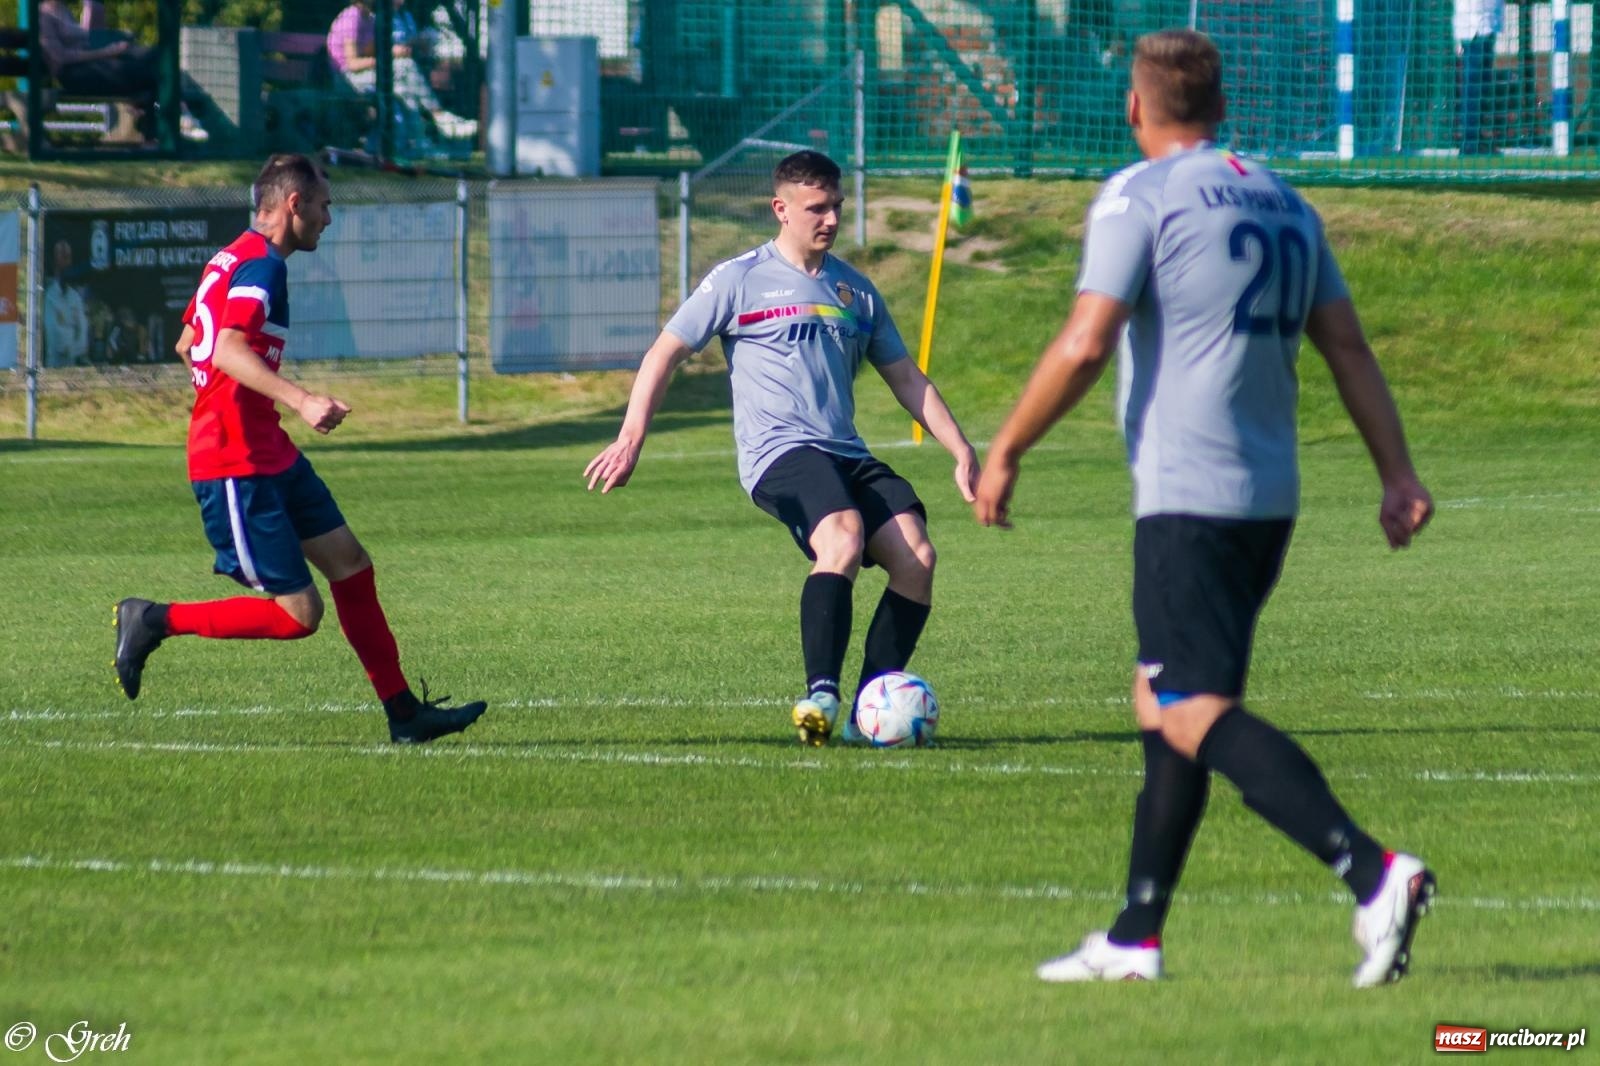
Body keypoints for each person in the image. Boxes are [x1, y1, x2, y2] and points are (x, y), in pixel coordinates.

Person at [973, 30, 1436, 987]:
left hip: (1188, 497)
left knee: (1185, 704)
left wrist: (1008, 449)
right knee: (1164, 699)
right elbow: (1347, 347)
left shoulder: (1139, 195)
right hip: (1270, 499)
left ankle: (1371, 870)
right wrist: (1397, 473)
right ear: (1221, 107)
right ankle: (1137, 936)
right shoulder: (1286, 200)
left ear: (1135, 109)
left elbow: (1087, 340)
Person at [585, 149, 979, 747]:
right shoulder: (738, 278)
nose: (829, 219)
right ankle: (821, 693)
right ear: (781, 208)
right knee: (842, 533)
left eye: (836, 207)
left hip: (844, 449)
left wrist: (961, 450)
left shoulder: (856, 291)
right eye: (816, 207)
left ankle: (867, 714)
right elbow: (664, 352)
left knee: (917, 557)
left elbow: (906, 377)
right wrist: (631, 437)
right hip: (778, 452)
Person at [113, 153, 487, 745]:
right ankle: (154, 619)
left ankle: (404, 714)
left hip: (265, 448)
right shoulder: (263, 263)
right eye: (324, 205)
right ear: (294, 205)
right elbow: (226, 349)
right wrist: (302, 400)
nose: (328, 218)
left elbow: (188, 343)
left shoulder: (229, 255)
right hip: (234, 459)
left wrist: (236, 403)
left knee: (352, 565)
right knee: (299, 615)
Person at [327, 0, 477, 145]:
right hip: (347, 80)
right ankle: (439, 115)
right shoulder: (351, 17)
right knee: (404, 67)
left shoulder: (371, 18)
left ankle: (419, 141)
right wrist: (389, 56)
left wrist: (399, 50)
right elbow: (352, 64)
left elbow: (370, 52)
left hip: (368, 74)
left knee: (405, 90)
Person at [1454, 0, 1504, 156]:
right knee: (1474, 86)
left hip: (1487, 23)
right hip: (1475, 25)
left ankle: (1476, 138)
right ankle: (1470, 142)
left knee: (1482, 84)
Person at [43, 238, 89, 367]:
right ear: (54, 259)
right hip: (53, 361)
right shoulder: (48, 294)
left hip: (72, 361)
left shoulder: (75, 297)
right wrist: (67, 345)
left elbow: (82, 327)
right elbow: (51, 329)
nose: (65, 261)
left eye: (67, 256)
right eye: (61, 256)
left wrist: (74, 349)